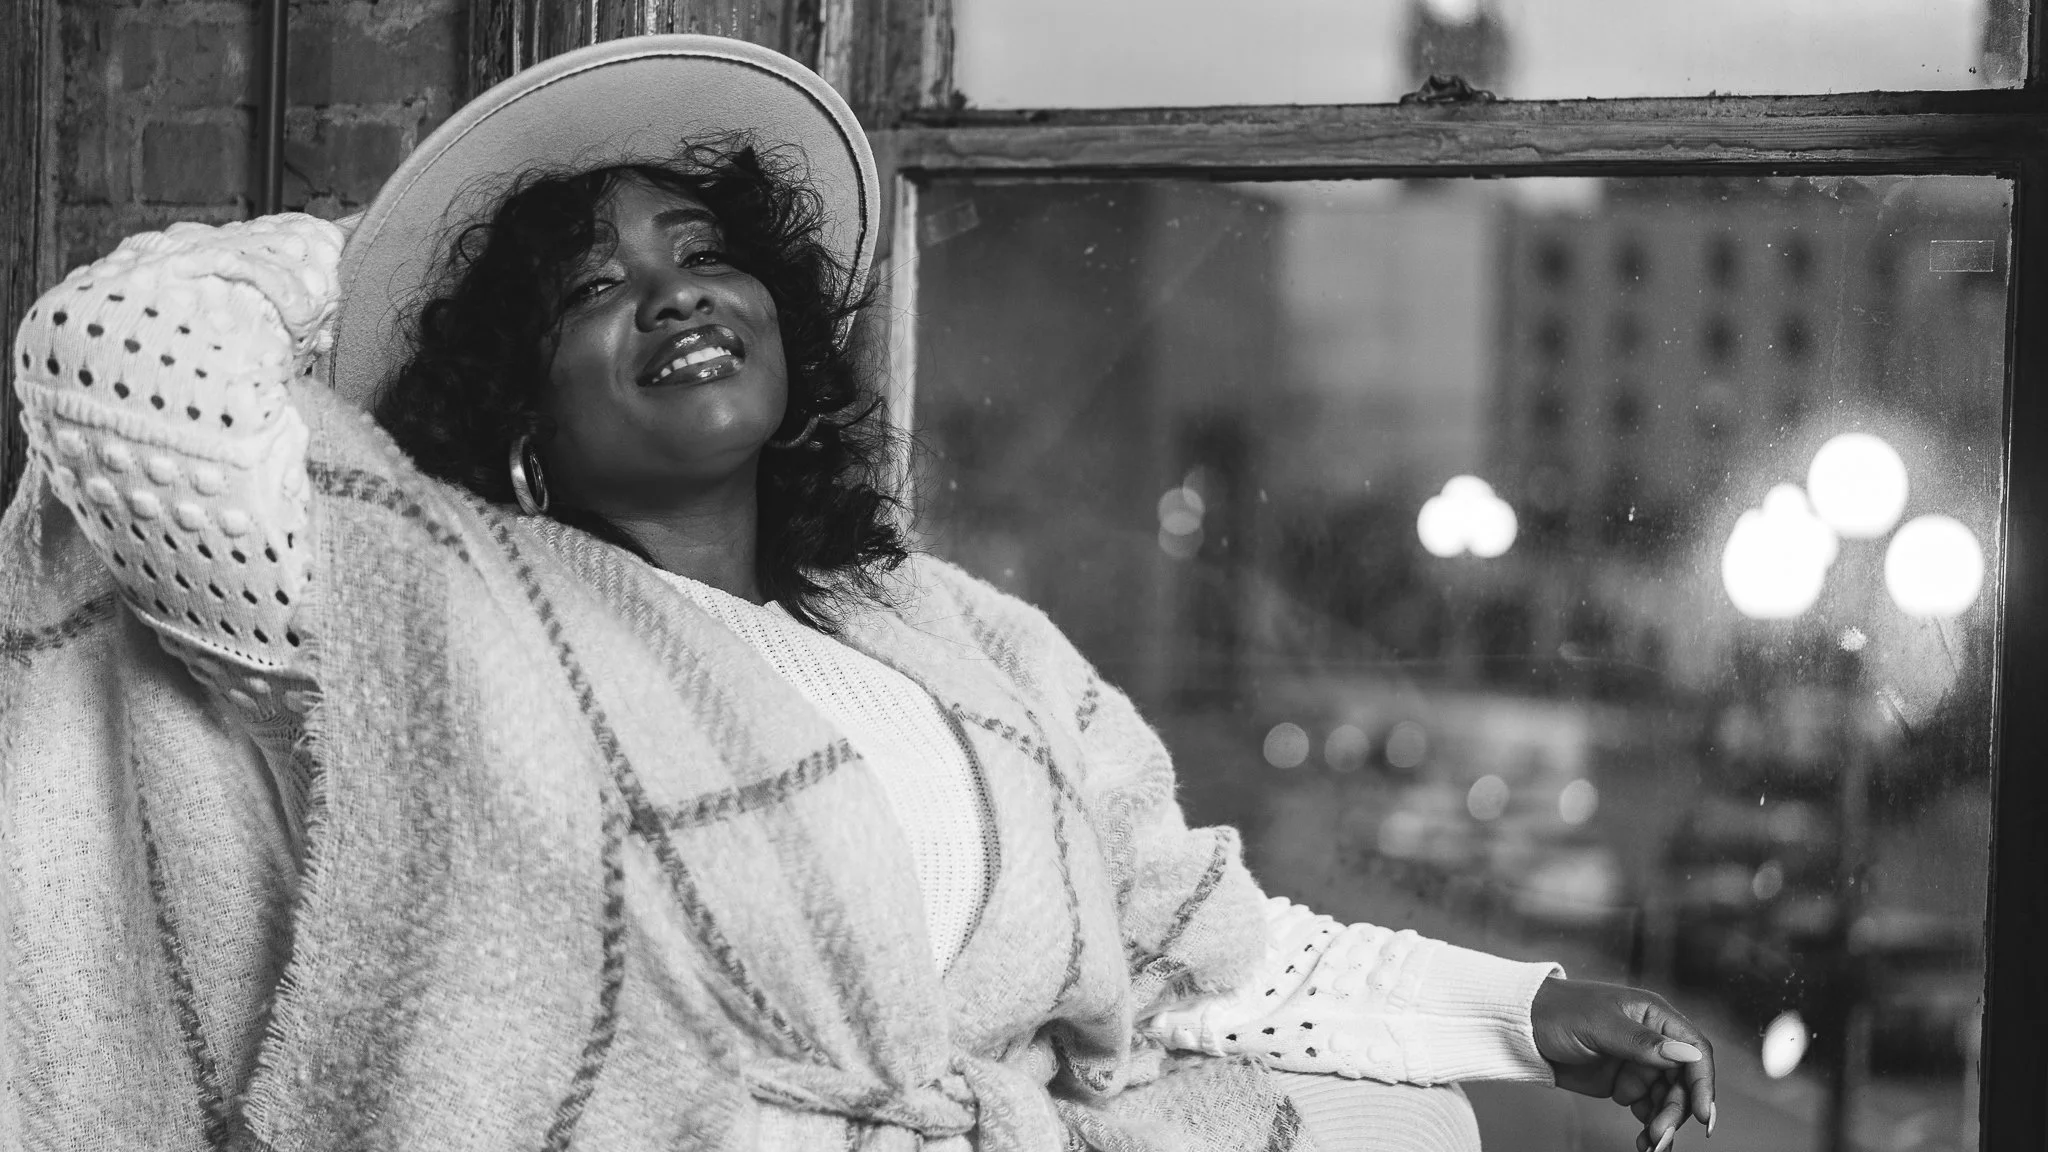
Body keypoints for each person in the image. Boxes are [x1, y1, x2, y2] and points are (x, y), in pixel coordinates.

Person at [0, 34, 1715, 1152]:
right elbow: (108, 358)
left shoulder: (948, 642)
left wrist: (1524, 1011)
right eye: (588, 288)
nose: (672, 293)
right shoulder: (426, 623)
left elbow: (1199, 956)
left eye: (701, 251)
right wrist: (395, 271)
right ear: (509, 400)